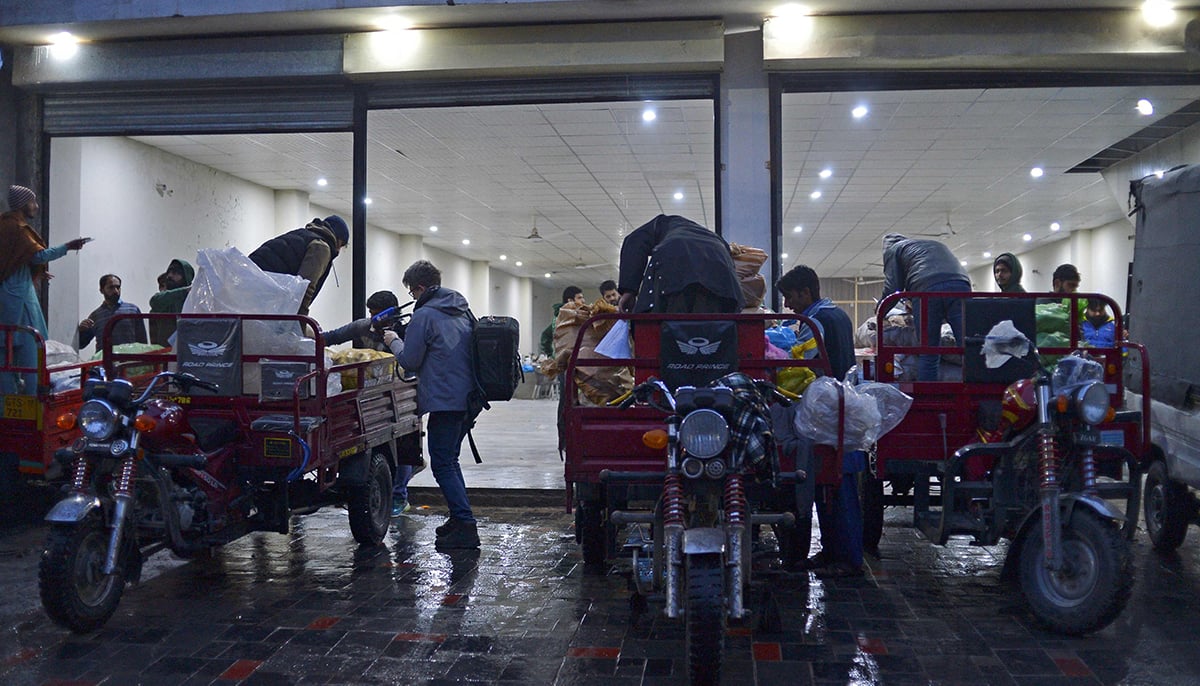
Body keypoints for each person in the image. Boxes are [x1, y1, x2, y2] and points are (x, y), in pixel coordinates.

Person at [382, 260, 479, 549]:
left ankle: (465, 524)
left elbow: (409, 362)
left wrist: (393, 341)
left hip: (445, 400)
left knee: (443, 464)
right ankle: (459, 518)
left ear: (421, 288)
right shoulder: (462, 309)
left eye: (412, 292)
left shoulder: (425, 315)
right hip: (469, 398)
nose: (412, 297)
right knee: (449, 460)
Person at [777, 265, 865, 578]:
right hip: (841, 409)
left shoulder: (814, 320)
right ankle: (833, 554)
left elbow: (801, 362)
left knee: (836, 490)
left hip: (828, 415)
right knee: (832, 489)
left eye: (790, 297)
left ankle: (848, 560)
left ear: (806, 292)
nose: (788, 305)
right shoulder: (837, 314)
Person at [324, 289, 421, 516]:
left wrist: (394, 340)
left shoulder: (404, 331)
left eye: (379, 315)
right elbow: (331, 336)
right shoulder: (362, 327)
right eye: (372, 313)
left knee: (402, 446)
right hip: (365, 397)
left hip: (399, 394)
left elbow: (411, 360)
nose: (375, 320)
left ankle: (399, 496)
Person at [0, 185, 91, 394]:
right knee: (32, 355)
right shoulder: (17, 228)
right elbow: (37, 256)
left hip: (7, 296)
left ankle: (6, 409)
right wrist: (68, 246)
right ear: (23, 204)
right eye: (32, 202)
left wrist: (34, 272)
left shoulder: (4, 225)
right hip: (18, 300)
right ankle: (32, 408)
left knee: (5, 358)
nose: (36, 206)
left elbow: (13, 261)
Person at [880, 233, 971, 381]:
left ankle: (929, 396)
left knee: (929, 350)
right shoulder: (930, 246)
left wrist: (880, 312)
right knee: (968, 347)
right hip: (961, 285)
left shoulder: (893, 250)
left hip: (927, 289)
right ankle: (976, 392)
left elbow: (893, 286)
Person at [616, 214, 743, 314]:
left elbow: (634, 242)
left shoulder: (660, 224)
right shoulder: (712, 238)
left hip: (675, 258)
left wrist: (629, 290)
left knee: (671, 326)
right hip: (720, 267)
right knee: (714, 329)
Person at [249, 215, 349, 316]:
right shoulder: (321, 247)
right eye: (341, 245)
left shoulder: (299, 234)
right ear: (338, 240)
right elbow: (303, 290)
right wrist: (299, 324)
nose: (338, 251)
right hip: (263, 297)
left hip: (247, 286)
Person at [78, 274, 148, 351]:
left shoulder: (133, 310)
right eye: (111, 287)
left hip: (129, 360)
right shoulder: (95, 316)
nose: (115, 291)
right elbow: (81, 344)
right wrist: (81, 331)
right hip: (106, 361)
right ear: (101, 290)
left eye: (118, 287)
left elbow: (142, 342)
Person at [148, 258, 195, 346]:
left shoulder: (195, 299)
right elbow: (154, 302)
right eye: (169, 272)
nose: (169, 276)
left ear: (185, 277)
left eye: (175, 273)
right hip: (166, 353)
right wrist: (185, 291)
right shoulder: (165, 298)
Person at [539, 286, 584, 357]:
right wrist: (551, 354)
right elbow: (546, 336)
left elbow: (545, 336)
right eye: (579, 298)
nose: (583, 301)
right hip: (566, 359)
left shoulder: (561, 316)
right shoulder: (564, 317)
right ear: (570, 301)